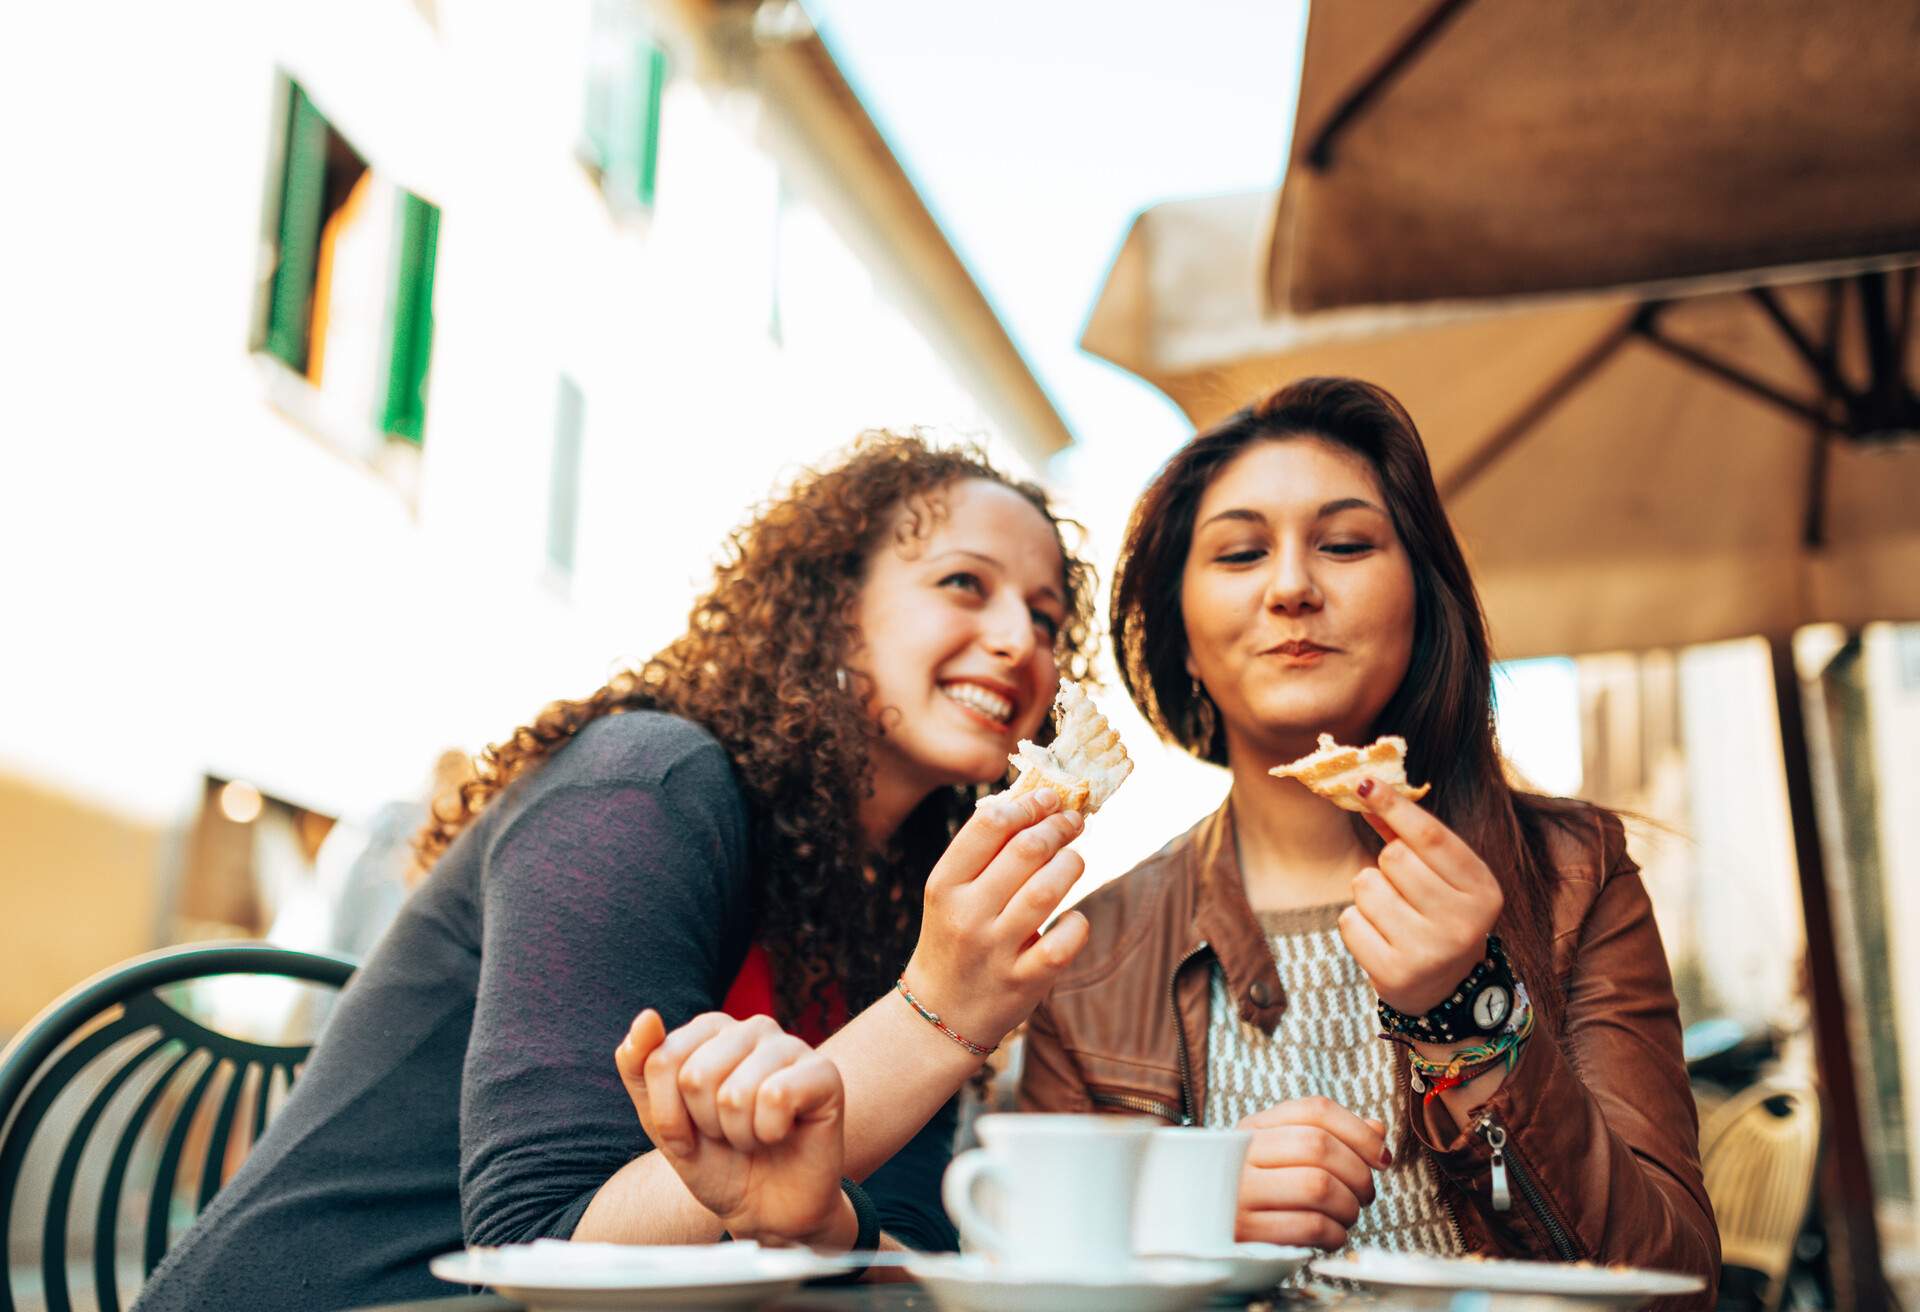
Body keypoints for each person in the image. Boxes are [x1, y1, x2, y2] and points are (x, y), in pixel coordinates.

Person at [134, 433, 1101, 1312]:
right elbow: (543, 1247)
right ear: (833, 604)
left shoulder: (905, 903)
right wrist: (940, 1016)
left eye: (1050, 619)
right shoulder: (645, 786)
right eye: (966, 584)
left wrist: (814, 1220)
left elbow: (901, 1248)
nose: (1023, 641)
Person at [1017, 378, 1718, 1297]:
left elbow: (1675, 1284)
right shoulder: (1094, 949)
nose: (1293, 587)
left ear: (1422, 600)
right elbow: (1041, 1277)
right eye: (1238, 554)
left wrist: (1467, 1012)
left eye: (1345, 544)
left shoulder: (1574, 875)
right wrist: (1183, 1220)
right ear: (1180, 635)